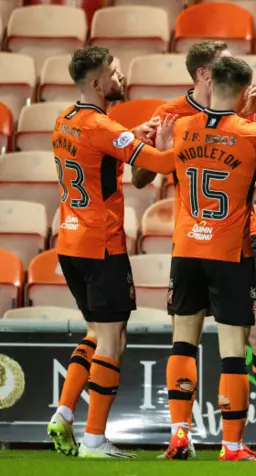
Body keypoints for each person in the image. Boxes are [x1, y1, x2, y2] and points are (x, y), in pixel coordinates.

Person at [131, 40, 256, 460]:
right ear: (208, 73)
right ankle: (232, 444)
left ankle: (183, 434)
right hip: (230, 246)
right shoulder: (235, 128)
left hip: (189, 244)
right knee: (232, 349)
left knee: (193, 343)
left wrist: (159, 148)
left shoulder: (182, 126)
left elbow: (164, 161)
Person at [47, 46, 176, 459]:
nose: (120, 77)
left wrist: (131, 135)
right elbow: (156, 161)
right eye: (115, 71)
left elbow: (101, 149)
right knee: (113, 341)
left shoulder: (63, 120)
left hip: (69, 242)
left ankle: (63, 413)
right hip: (102, 245)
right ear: (99, 82)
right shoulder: (104, 127)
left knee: (95, 332)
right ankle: (94, 438)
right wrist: (186, 144)